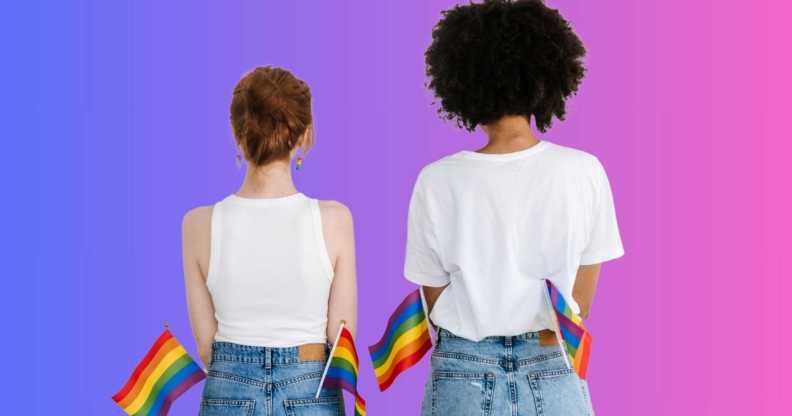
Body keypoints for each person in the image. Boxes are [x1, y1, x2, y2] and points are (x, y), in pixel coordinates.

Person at [406, 1, 624, 415]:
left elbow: (433, 301)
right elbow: (582, 299)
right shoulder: (583, 171)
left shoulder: (436, 180)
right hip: (553, 362)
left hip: (463, 371)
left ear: (460, 82)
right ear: (546, 76)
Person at [182, 66, 357, 415]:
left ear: (237, 133)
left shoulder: (197, 224)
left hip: (228, 387)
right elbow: (342, 335)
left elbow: (206, 346)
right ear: (305, 135)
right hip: (312, 389)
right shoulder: (335, 219)